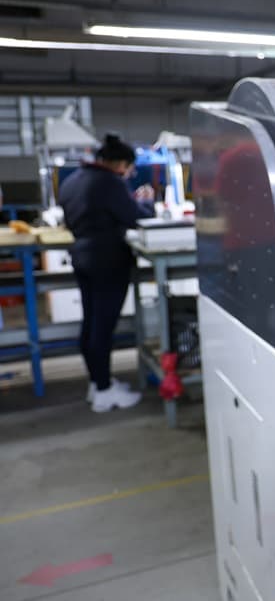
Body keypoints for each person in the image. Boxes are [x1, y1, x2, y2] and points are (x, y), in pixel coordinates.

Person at [59, 133, 155, 412]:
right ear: (120, 163)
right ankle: (104, 392)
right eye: (128, 167)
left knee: (90, 323)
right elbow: (136, 217)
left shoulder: (73, 180)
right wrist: (146, 202)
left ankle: (96, 382)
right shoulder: (109, 182)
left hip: (82, 257)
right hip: (107, 261)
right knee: (103, 327)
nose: (129, 173)